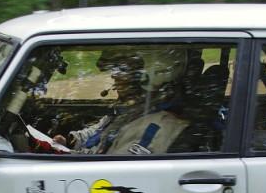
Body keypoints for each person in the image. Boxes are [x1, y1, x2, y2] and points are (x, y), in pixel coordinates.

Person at [52, 46, 191, 155]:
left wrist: (69, 154)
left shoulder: (156, 128)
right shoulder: (133, 110)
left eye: (123, 70)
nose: (114, 76)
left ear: (151, 74)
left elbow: (111, 169)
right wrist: (71, 141)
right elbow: (99, 132)